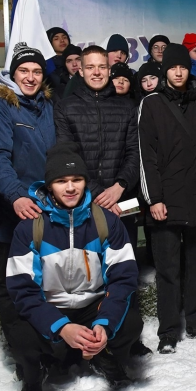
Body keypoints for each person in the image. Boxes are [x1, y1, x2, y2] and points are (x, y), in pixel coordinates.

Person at [6, 143, 143, 391]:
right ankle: (35, 374)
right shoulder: (30, 227)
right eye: (61, 181)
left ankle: (104, 358)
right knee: (20, 333)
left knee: (131, 323)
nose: (70, 187)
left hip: (91, 305)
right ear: (49, 186)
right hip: (51, 304)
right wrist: (61, 326)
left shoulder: (106, 220)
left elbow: (123, 278)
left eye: (77, 179)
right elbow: (22, 290)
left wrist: (104, 324)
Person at [138, 44, 196, 352]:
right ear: (164, 70)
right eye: (172, 67)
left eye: (182, 67)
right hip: (165, 199)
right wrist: (154, 199)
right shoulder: (150, 104)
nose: (178, 72)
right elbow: (146, 156)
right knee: (167, 269)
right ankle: (168, 332)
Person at [0, 43, 57, 376]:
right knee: (15, 288)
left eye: (37, 71)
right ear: (13, 74)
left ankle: (49, 351)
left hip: (49, 211)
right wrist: (15, 195)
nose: (30, 77)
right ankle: (26, 363)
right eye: (24, 71)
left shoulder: (47, 106)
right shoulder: (1, 106)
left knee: (48, 284)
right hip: (16, 210)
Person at [54, 46, 143, 263]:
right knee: (87, 271)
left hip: (123, 202)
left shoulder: (128, 107)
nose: (96, 72)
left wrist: (120, 186)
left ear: (109, 70)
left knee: (124, 269)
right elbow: (68, 156)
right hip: (83, 202)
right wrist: (100, 194)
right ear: (81, 71)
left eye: (102, 67)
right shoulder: (65, 107)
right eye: (90, 67)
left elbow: (135, 152)